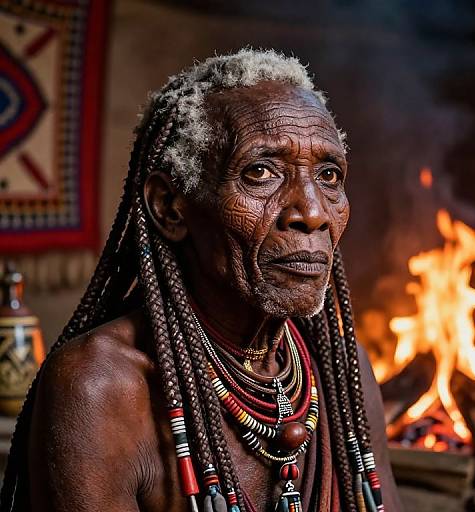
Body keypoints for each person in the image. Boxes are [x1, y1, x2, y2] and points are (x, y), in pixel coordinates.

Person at [0, 49, 402, 512]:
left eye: (329, 175)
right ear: (171, 207)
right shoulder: (101, 387)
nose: (311, 212)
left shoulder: (340, 367)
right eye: (261, 172)